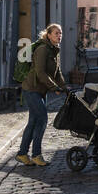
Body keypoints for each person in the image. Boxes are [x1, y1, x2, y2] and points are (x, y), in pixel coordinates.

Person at [17, 23, 66, 167]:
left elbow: (58, 73)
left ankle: (22, 154)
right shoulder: (43, 49)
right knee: (42, 119)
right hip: (31, 89)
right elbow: (41, 73)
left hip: (40, 90)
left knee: (33, 121)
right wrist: (54, 87)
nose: (59, 36)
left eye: (60, 33)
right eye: (56, 33)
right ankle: (36, 155)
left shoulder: (54, 50)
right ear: (48, 35)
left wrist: (65, 87)